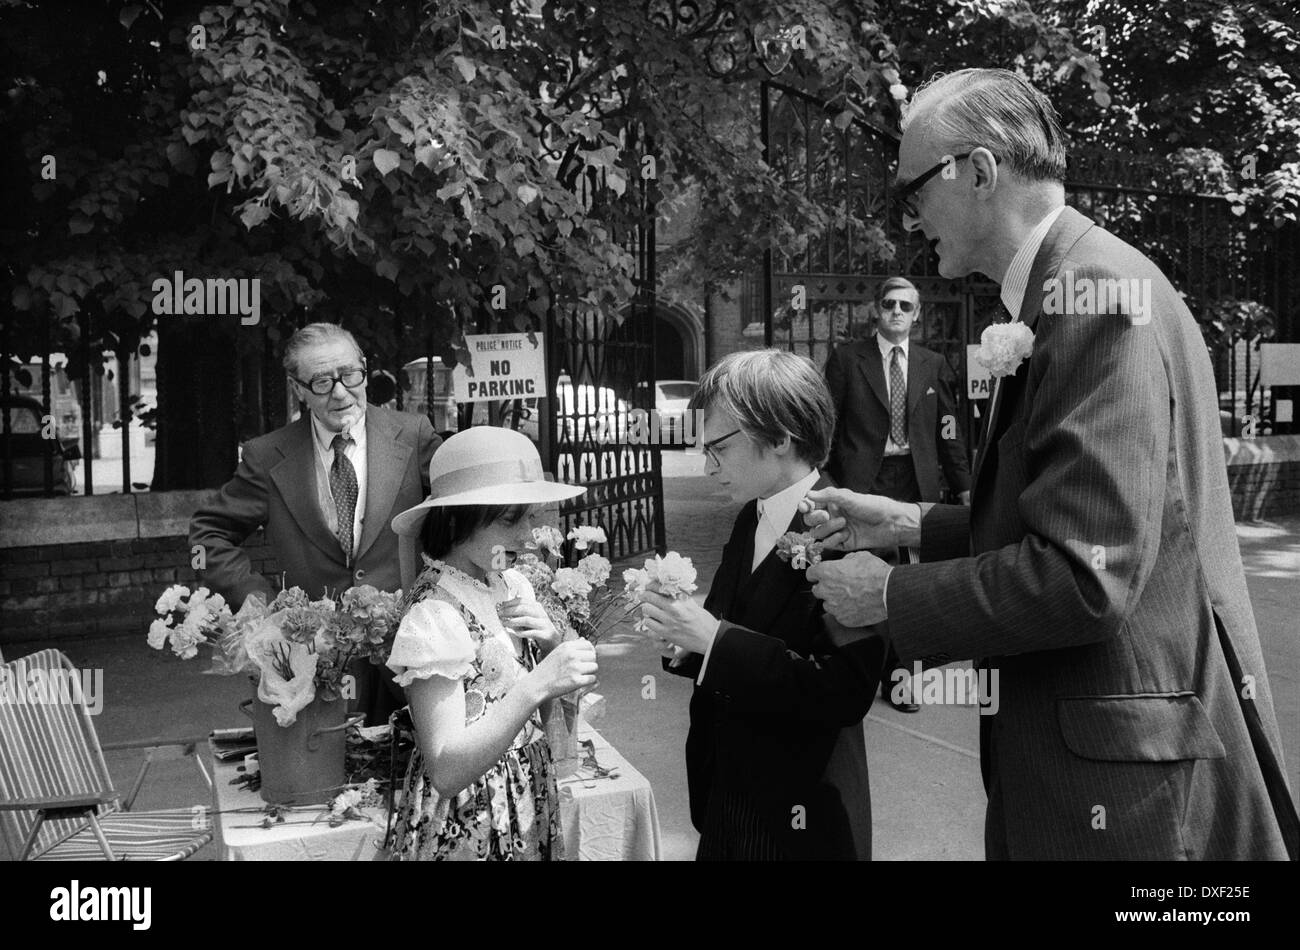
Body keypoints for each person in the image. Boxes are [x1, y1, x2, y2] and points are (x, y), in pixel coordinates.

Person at [804, 68, 1298, 860]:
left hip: (1121, 792)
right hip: (1103, 767)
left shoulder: (1093, 294)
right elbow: (1066, 520)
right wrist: (904, 521)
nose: (909, 219)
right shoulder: (1067, 286)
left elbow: (1083, 575)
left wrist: (888, 594)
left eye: (912, 190)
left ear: (978, 170)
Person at [638, 349, 884, 860]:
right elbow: (739, 624)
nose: (707, 467)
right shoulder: (751, 515)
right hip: (726, 797)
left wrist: (714, 639)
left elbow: (843, 690)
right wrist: (686, 642)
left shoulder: (845, 528)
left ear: (779, 437)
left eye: (719, 449)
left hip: (801, 814)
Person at [189, 322, 440, 724]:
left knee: (419, 775)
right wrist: (254, 599)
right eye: (321, 382)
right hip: (317, 670)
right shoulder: (267, 456)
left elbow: (459, 515)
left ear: (363, 368)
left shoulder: (413, 436)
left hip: (411, 658)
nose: (341, 392)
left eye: (350, 375)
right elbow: (207, 536)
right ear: (298, 389)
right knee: (333, 783)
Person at [383, 427, 597, 860]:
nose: (527, 536)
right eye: (510, 519)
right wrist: (536, 683)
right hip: (467, 822)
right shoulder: (434, 615)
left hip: (524, 800)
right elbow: (445, 768)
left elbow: (552, 713)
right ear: (459, 518)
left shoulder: (509, 584)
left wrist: (555, 646)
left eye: (530, 517)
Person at [824, 275, 971, 711]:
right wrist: (828, 486)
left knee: (908, 587)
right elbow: (826, 426)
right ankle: (852, 675)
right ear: (876, 309)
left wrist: (962, 487)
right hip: (861, 484)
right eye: (889, 304)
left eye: (906, 306)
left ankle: (900, 679)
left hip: (914, 484)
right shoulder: (848, 359)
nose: (897, 312)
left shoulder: (932, 363)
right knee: (854, 579)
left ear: (917, 313)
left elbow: (949, 430)